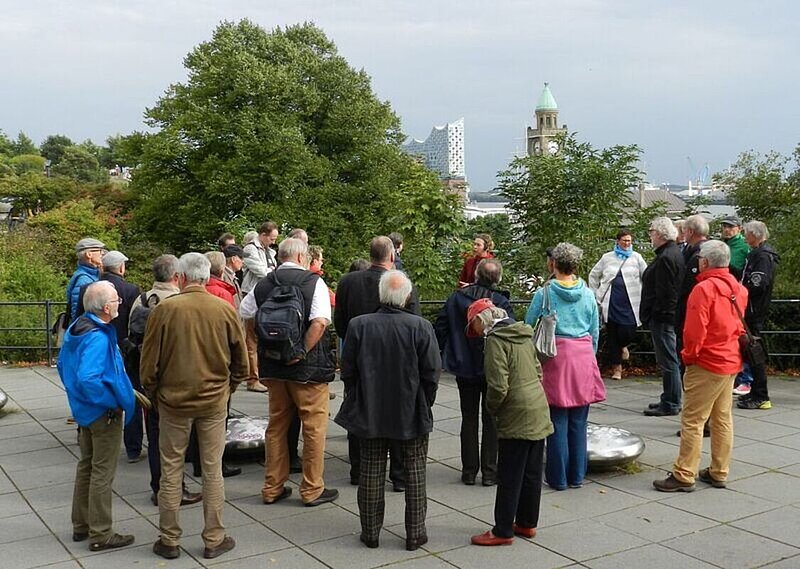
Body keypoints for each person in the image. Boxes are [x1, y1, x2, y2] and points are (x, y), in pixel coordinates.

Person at [140, 253, 248, 561]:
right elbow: (241, 362)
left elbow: (149, 364)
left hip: (173, 402)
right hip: (213, 401)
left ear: (181, 277)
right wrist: (228, 389)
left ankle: (169, 539)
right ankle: (214, 537)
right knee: (213, 470)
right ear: (206, 276)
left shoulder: (164, 310)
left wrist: (155, 394)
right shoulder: (224, 309)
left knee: (171, 469)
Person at [336, 270, 440, 550]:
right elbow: (432, 373)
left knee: (371, 471)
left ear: (380, 294)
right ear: (407, 297)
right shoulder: (420, 327)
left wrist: (359, 396)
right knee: (415, 472)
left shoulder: (359, 325)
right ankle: (415, 533)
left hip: (370, 408)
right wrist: (424, 402)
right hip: (410, 408)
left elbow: (348, 371)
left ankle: (370, 532)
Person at [242, 238, 339, 507]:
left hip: (273, 367)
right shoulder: (313, 282)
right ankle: (312, 488)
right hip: (307, 370)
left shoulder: (265, 283)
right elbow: (320, 322)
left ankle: (272, 487)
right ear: (300, 257)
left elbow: (246, 312)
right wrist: (300, 351)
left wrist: (262, 344)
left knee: (276, 427)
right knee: (313, 427)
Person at [653, 240, 748, 492]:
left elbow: (694, 332)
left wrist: (689, 356)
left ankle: (684, 473)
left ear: (704, 262)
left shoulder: (703, 289)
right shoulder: (738, 288)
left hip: (707, 361)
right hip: (730, 360)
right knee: (722, 419)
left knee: (693, 420)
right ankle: (719, 470)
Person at [335, 236, 420, 491]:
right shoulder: (403, 283)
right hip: (398, 360)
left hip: (360, 357)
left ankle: (359, 469)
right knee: (397, 413)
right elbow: (415, 325)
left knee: (358, 408)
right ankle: (399, 475)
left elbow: (340, 323)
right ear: (392, 256)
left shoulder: (348, 282)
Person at [58, 281, 136, 552]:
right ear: (105, 308)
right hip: (102, 412)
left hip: (85, 410)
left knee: (87, 466)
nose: (119, 303)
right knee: (102, 471)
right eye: (116, 300)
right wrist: (110, 402)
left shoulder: (78, 327)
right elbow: (88, 377)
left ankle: (81, 524)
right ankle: (101, 533)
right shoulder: (97, 336)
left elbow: (64, 366)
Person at [467, 299, 553, 546]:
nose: (473, 332)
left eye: (472, 326)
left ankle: (503, 530)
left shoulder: (495, 341)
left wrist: (492, 409)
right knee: (531, 472)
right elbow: (538, 370)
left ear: (480, 320)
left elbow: (498, 385)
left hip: (516, 412)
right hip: (538, 406)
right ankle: (526, 523)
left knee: (509, 475)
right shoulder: (522, 333)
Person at [525, 243, 604, 491]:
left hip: (556, 358)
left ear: (553, 264)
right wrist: (590, 356)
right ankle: (577, 476)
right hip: (583, 357)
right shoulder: (588, 293)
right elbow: (594, 330)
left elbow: (528, 324)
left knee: (556, 421)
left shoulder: (544, 293)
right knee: (579, 422)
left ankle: (557, 478)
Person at [128, 255, 202, 508]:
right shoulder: (178, 303)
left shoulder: (141, 299)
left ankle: (158, 487)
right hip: (175, 379)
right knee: (177, 440)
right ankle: (175, 489)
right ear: (177, 276)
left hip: (148, 377)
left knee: (155, 434)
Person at [435, 258, 512, 486]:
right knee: (492, 418)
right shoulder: (500, 301)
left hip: (463, 364)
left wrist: (443, 353)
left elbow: (441, 327)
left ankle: (469, 471)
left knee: (468, 418)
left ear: (476, 275)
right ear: (498, 278)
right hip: (492, 366)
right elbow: (510, 332)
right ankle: (490, 471)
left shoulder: (456, 298)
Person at [96, 250, 143, 462]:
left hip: (98, 349)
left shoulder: (90, 288)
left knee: (102, 392)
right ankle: (133, 448)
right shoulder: (131, 290)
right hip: (125, 349)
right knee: (132, 395)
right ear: (121, 267)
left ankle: (101, 441)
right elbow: (136, 323)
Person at [640, 217, 685, 417]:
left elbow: (666, 292)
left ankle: (671, 402)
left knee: (668, 360)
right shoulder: (671, 253)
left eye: (651, 232)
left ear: (659, 234)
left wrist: (657, 315)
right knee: (668, 359)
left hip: (663, 318)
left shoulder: (666, 256)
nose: (650, 235)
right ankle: (669, 397)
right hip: (664, 316)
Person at [588, 230, 647, 380]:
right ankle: (617, 369)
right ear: (618, 241)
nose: (627, 243)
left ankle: (623, 345)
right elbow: (594, 275)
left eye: (629, 241)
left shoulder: (637, 257)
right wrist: (594, 293)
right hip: (611, 302)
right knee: (613, 335)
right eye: (624, 240)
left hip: (631, 303)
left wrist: (645, 294)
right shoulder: (607, 257)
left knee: (628, 331)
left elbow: (646, 276)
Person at [737, 221, 779, 411]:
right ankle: (756, 392)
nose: (745, 237)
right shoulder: (759, 253)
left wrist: (740, 292)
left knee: (755, 353)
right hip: (752, 310)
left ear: (755, 235)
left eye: (746, 234)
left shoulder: (762, 256)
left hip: (753, 311)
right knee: (752, 352)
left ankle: (761, 396)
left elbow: (758, 283)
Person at [241, 222, 279, 394]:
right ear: (263, 235)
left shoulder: (268, 251)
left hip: (266, 296)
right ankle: (253, 378)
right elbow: (262, 271)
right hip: (253, 296)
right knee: (252, 339)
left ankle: (262, 375)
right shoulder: (250, 249)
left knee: (263, 337)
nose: (273, 242)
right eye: (272, 238)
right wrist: (274, 272)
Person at [66, 238, 106, 323]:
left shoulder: (91, 275)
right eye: (99, 250)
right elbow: (77, 312)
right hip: (87, 327)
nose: (102, 253)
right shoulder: (83, 280)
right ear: (89, 254)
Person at [720, 216, 749, 281]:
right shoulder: (720, 244)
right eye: (724, 226)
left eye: (730, 227)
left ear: (740, 228)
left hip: (737, 281)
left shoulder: (746, 245)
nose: (726, 230)